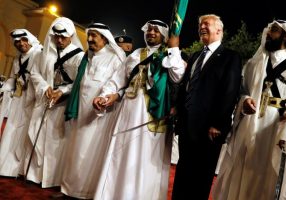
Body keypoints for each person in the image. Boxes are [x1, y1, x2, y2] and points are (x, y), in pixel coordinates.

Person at [93, 19, 185, 200]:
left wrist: (174, 49)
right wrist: (107, 95)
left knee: (144, 160)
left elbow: (178, 76)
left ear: (164, 35)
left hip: (152, 115)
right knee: (121, 155)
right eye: (148, 30)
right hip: (127, 111)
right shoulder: (135, 54)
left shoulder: (170, 56)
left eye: (155, 31)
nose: (150, 33)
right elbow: (117, 80)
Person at [213, 19, 286, 200]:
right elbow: (243, 91)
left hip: (276, 126)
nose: (268, 34)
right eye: (268, 30)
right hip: (248, 123)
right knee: (242, 168)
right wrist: (244, 101)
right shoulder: (253, 64)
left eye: (274, 31)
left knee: (267, 173)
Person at [172, 14, 242, 200]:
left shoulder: (230, 57)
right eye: (199, 25)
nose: (201, 27)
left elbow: (229, 93)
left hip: (209, 130)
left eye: (206, 24)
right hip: (187, 125)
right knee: (183, 172)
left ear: (219, 30)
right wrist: (177, 108)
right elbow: (186, 85)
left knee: (201, 178)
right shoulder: (196, 55)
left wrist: (218, 124)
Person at [60, 22, 126, 199]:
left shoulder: (115, 58)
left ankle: (85, 193)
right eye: (88, 35)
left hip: (100, 115)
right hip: (80, 110)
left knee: (89, 153)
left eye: (94, 36)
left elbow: (118, 85)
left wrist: (106, 98)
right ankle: (68, 189)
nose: (89, 39)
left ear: (105, 38)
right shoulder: (86, 57)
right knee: (74, 149)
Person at [24, 17, 84, 188]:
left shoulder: (79, 56)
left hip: (62, 104)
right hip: (44, 100)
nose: (59, 40)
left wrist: (62, 91)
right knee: (36, 133)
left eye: (63, 37)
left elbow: (80, 82)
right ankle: (34, 175)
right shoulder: (45, 53)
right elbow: (35, 73)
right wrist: (45, 87)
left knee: (56, 142)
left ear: (71, 35)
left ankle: (52, 179)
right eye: (56, 36)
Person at [0, 29, 42, 177]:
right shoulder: (17, 58)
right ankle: (6, 167)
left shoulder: (39, 54)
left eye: (23, 40)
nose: (21, 44)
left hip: (33, 99)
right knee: (11, 130)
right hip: (18, 99)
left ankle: (21, 169)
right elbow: (13, 77)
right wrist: (5, 88)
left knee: (26, 133)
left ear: (29, 39)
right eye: (17, 42)